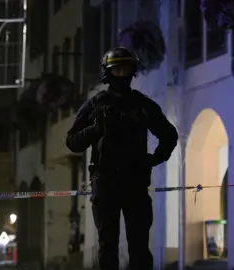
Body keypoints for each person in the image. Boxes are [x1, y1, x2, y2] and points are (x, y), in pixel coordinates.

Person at [65, 47, 178, 270]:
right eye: (117, 70)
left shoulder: (142, 104)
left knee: (139, 246)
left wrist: (153, 159)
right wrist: (94, 130)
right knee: (108, 246)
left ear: (132, 71)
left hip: (135, 181)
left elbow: (169, 135)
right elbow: (72, 141)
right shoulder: (95, 104)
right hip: (105, 181)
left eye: (126, 69)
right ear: (108, 73)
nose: (122, 74)